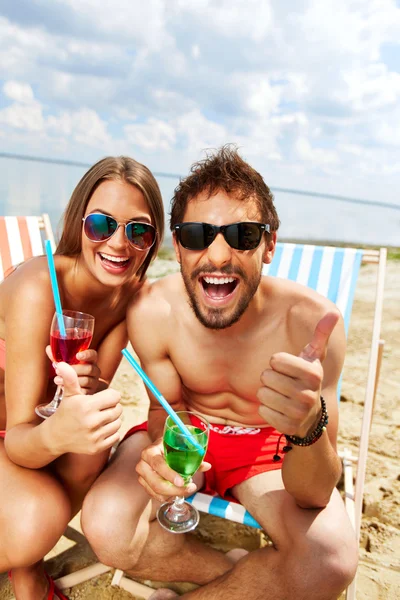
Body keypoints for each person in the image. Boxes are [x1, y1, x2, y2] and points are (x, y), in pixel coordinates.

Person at [82, 146, 358, 600]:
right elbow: (165, 410)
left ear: (269, 244)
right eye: (196, 234)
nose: (218, 255)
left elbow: (314, 493)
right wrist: (162, 449)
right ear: (177, 244)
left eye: (242, 234)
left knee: (331, 560)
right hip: (185, 432)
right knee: (106, 527)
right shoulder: (153, 310)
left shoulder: (311, 325)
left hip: (267, 446)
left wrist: (309, 428)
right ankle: (236, 572)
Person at [0, 156, 164, 600]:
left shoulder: (130, 298)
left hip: (29, 431)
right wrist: (57, 433)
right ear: (78, 222)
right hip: (13, 430)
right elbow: (20, 436)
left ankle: (22, 555)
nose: (118, 243)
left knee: (92, 448)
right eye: (101, 224)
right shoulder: (39, 286)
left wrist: (80, 401)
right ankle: (25, 562)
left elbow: (82, 401)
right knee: (39, 516)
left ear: (152, 241)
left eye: (138, 230)